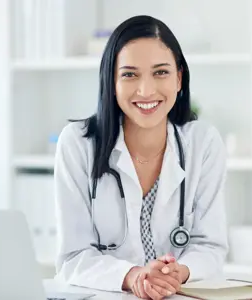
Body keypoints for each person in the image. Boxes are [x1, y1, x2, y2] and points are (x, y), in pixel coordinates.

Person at [54, 15, 229, 300]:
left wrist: (179, 272)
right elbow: (73, 257)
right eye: (129, 74)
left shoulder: (203, 143)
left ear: (179, 78)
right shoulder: (77, 144)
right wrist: (133, 276)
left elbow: (210, 247)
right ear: (111, 81)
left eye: (160, 72)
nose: (146, 90)